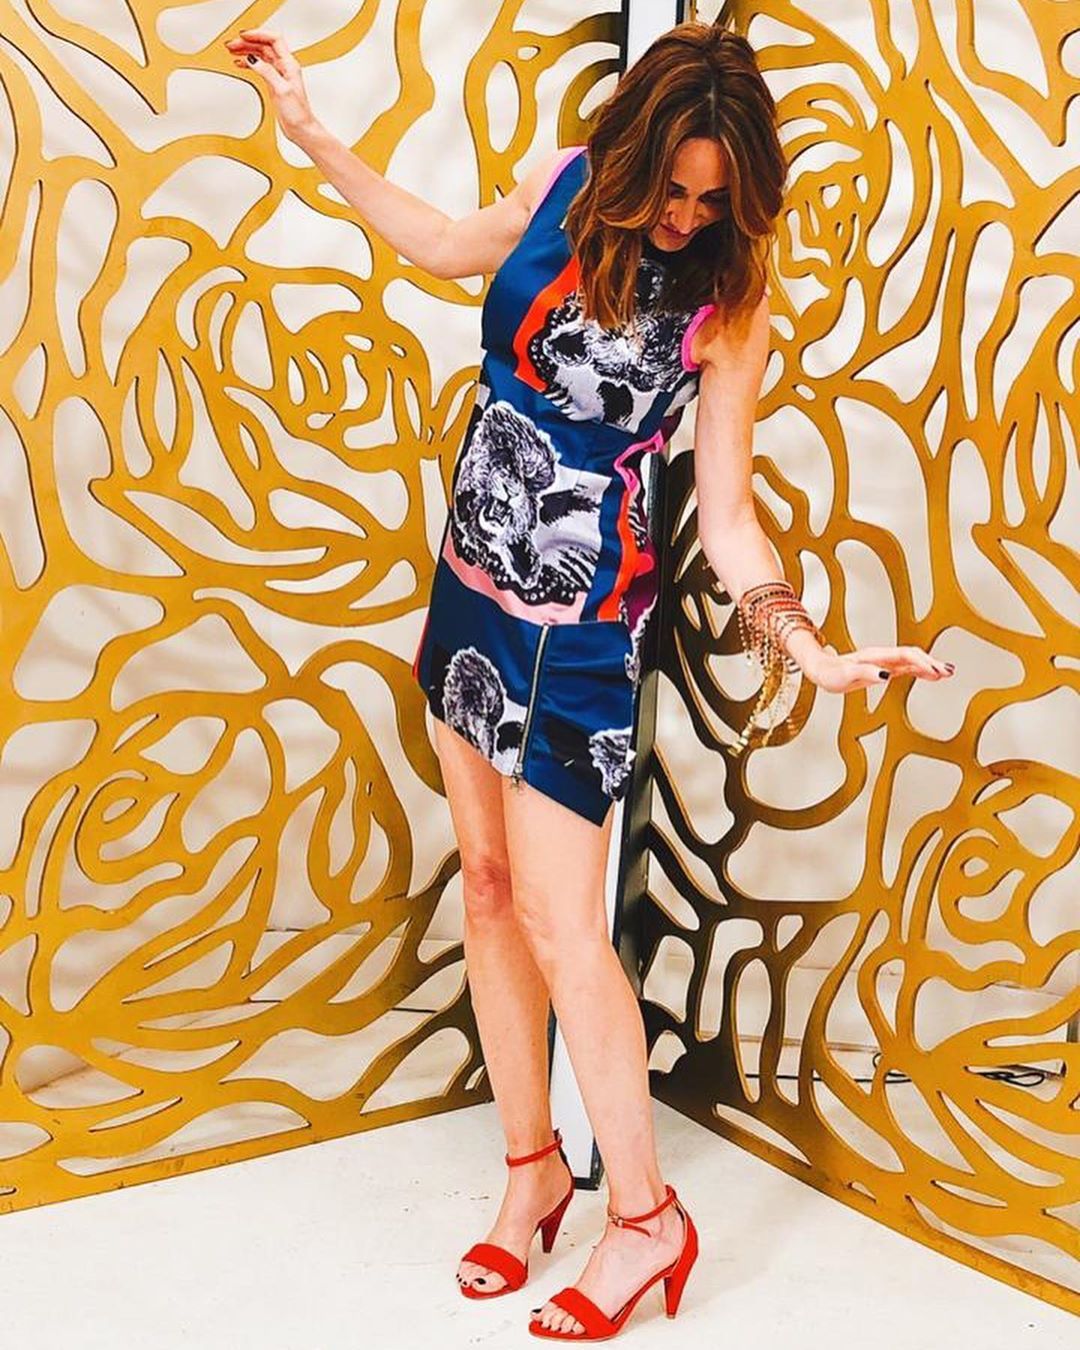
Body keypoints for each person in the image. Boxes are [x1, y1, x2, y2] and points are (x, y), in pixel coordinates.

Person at [223, 18, 955, 1341]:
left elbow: (728, 515)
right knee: (488, 888)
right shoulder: (562, 181)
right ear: (627, 155)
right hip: (470, 592)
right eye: (671, 189)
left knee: (568, 928)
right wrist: (313, 133)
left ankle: (646, 1219)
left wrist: (807, 645)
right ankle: (532, 1171)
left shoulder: (729, 303)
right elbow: (440, 243)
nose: (685, 219)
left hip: (579, 633)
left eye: (711, 201)